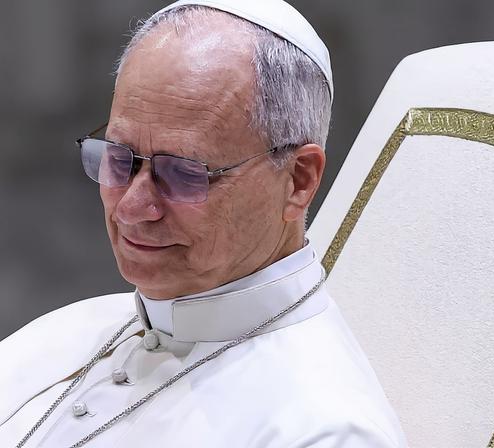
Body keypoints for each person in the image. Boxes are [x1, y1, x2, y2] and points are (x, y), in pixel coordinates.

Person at [0, 1, 407, 446]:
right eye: (118, 159)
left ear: (298, 179)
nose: (133, 208)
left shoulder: (320, 429)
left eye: (182, 173)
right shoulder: (63, 332)